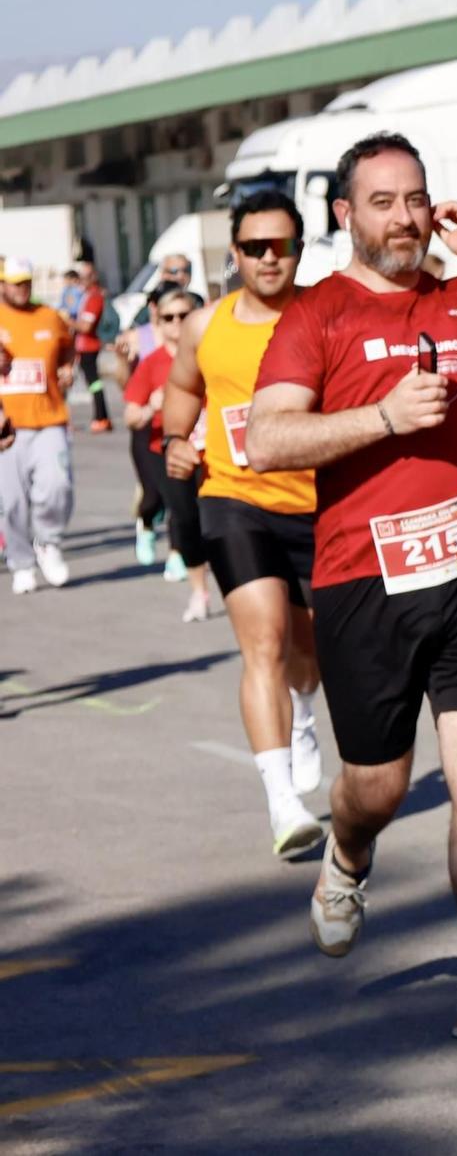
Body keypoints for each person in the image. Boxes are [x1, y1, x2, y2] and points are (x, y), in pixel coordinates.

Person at [247, 130, 457, 1042]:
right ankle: (348, 850)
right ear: (344, 214)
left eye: (416, 200)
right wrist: (381, 416)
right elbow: (270, 440)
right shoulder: (315, 314)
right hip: (364, 578)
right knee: (379, 784)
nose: (403, 218)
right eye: (383, 201)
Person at [162, 191, 327, 859]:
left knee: (305, 656)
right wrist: (177, 437)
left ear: (298, 249)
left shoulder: (325, 316)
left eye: (279, 245)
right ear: (234, 253)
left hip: (319, 507)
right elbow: (182, 390)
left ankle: (305, 709)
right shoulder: (208, 325)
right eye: (254, 246)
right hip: (235, 498)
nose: (267, 258)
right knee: (262, 640)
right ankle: (282, 800)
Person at [122, 286, 215, 622]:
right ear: (158, 322)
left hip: (213, 451)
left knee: (221, 520)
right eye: (169, 317)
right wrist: (152, 406)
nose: (177, 323)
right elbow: (130, 415)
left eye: (184, 315)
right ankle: (199, 591)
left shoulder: (214, 354)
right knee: (185, 518)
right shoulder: (152, 363)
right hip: (168, 451)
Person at [0, 258, 75, 592]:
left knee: (58, 485)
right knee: (12, 502)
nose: (21, 288)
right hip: (7, 426)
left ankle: (48, 541)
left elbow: (67, 351)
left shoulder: (49, 317)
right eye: (15, 283)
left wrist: (67, 369)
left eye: (26, 282)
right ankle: (20, 562)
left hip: (48, 418)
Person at [73, 262, 111, 433]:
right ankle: (100, 416)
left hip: (90, 346)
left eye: (85, 277)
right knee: (92, 384)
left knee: (95, 383)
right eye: (80, 277)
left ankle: (101, 417)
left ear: (93, 277)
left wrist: (66, 321)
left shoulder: (95, 296)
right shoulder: (86, 295)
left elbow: (86, 327)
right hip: (83, 347)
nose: (81, 281)